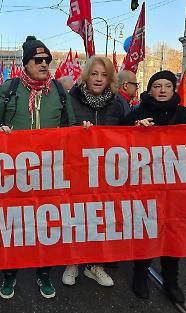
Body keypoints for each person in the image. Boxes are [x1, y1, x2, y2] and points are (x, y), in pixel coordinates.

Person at [0, 35, 76, 299]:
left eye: (48, 59)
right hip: (14, 172)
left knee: (44, 226)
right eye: (38, 60)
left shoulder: (58, 90)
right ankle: (10, 274)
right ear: (26, 64)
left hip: (48, 172)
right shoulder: (10, 88)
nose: (45, 63)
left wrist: (80, 133)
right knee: (13, 225)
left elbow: (70, 126)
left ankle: (43, 273)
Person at [121, 70, 186, 304]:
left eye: (167, 85)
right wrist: (135, 128)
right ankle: (140, 275)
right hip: (145, 187)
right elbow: (119, 139)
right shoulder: (138, 113)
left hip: (176, 188)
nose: (163, 90)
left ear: (173, 89)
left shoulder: (184, 114)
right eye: (157, 86)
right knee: (146, 232)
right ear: (149, 90)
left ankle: (171, 281)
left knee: (173, 232)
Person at [61, 56, 123, 288]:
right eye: (94, 74)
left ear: (110, 79)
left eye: (104, 75)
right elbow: (60, 130)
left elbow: (125, 133)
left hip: (105, 172)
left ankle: (95, 264)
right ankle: (72, 262)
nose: (98, 79)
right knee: (76, 216)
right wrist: (77, 132)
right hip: (76, 169)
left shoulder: (116, 103)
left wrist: (140, 128)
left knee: (101, 218)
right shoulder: (71, 99)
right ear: (87, 75)